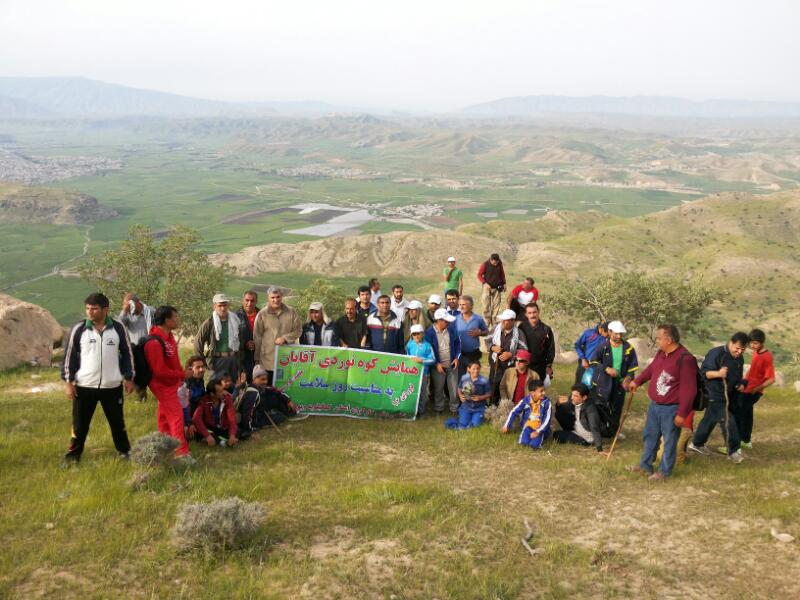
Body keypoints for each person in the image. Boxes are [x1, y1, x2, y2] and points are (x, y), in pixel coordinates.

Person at [62, 292, 134, 462]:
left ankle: (125, 452)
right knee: (79, 426)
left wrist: (129, 377)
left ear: (105, 309)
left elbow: (127, 353)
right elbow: (69, 356)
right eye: (87, 308)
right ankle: (73, 456)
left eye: (94, 309)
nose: (89, 312)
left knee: (118, 424)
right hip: (84, 386)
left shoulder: (118, 328)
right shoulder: (79, 329)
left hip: (112, 387)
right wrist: (68, 382)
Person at [628, 324, 697, 481]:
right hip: (655, 405)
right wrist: (637, 381)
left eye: (659, 338)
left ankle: (664, 473)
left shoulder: (685, 359)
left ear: (669, 340)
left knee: (670, 441)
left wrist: (682, 414)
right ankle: (645, 467)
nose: (657, 340)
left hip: (672, 408)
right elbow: (652, 369)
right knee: (650, 436)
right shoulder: (661, 353)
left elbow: (689, 389)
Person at [688, 332, 749, 464]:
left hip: (729, 395)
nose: (739, 352)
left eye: (742, 350)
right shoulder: (716, 353)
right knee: (728, 421)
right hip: (713, 393)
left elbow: (737, 377)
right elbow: (704, 373)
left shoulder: (740, 358)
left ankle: (697, 443)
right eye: (737, 348)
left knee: (710, 419)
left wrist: (741, 384)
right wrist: (718, 373)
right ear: (731, 342)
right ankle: (733, 451)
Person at [145, 305, 191, 458]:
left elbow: (172, 360)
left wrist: (180, 377)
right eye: (175, 317)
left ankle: (164, 448)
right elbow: (159, 371)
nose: (177, 319)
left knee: (164, 417)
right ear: (166, 320)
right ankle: (181, 454)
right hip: (161, 385)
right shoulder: (154, 342)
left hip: (171, 383)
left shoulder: (169, 336)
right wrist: (181, 373)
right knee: (176, 418)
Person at [589, 320, 638, 438]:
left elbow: (633, 365)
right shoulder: (603, 346)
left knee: (617, 408)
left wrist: (628, 378)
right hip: (604, 383)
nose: (619, 336)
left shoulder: (628, 348)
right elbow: (593, 362)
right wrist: (606, 369)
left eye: (621, 333)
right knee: (602, 407)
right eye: (616, 333)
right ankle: (600, 430)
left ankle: (613, 432)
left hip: (620, 384)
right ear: (610, 332)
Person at [253, 287, 302, 384]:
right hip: (267, 360)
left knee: (284, 390)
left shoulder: (291, 312)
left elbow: (298, 330)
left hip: (286, 360)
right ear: (268, 298)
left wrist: (285, 338)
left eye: (278, 297)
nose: (275, 300)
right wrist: (257, 359)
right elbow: (257, 337)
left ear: (282, 296)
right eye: (272, 297)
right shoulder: (262, 314)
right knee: (268, 389)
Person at [738, 328, 775, 449]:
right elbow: (755, 368)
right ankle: (746, 441)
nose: (753, 346)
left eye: (756, 343)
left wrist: (757, 388)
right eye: (751, 343)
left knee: (740, 414)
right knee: (747, 415)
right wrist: (746, 376)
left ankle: (734, 444)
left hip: (753, 391)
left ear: (762, 342)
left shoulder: (766, 356)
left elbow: (771, 379)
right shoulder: (756, 352)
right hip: (747, 388)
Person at [237, 365, 299, 437]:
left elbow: (277, 391)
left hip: (260, 413)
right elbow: (246, 415)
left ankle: (289, 412)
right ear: (254, 379)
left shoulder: (261, 388)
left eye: (266, 379)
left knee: (275, 397)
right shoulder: (253, 394)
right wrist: (250, 432)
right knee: (280, 417)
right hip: (255, 421)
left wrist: (289, 400)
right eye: (262, 379)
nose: (265, 382)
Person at [194, 293, 243, 382]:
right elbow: (198, 342)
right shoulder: (209, 323)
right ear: (214, 306)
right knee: (216, 389)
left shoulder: (235, 320)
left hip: (233, 360)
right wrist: (202, 362)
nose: (223, 308)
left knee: (233, 388)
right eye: (220, 305)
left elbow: (240, 340)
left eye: (225, 305)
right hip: (217, 361)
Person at [118, 292, 155, 400]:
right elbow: (119, 325)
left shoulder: (150, 312)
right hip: (137, 350)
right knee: (138, 374)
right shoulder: (127, 315)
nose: (129, 308)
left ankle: (159, 394)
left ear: (137, 302)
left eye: (130, 305)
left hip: (151, 347)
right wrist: (124, 311)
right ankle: (141, 397)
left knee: (154, 372)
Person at [425, 308, 462, 414]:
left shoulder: (451, 330)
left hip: (452, 364)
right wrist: (436, 363)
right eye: (446, 321)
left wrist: (456, 358)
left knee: (453, 387)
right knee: (438, 388)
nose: (448, 323)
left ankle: (454, 408)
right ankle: (439, 408)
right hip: (438, 366)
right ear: (439, 321)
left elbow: (458, 344)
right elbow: (429, 350)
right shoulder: (429, 333)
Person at [489, 309, 527, 404]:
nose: (502, 322)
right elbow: (487, 340)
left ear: (513, 321)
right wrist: (492, 347)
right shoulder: (495, 329)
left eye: (505, 320)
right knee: (494, 383)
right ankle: (492, 404)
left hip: (510, 365)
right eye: (502, 319)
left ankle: (505, 406)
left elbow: (524, 349)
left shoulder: (519, 333)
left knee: (507, 385)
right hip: (495, 363)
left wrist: (511, 354)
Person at [502, 379, 552, 449]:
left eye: (544, 390)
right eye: (541, 391)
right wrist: (506, 425)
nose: (544, 393)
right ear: (532, 393)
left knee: (534, 445)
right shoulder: (525, 401)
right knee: (523, 443)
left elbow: (547, 419)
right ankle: (527, 438)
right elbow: (514, 412)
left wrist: (538, 431)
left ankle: (542, 438)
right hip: (528, 427)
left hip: (540, 429)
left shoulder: (547, 403)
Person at [553, 383, 604, 452]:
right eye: (572, 395)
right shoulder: (576, 401)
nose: (572, 397)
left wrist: (599, 448)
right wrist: (558, 404)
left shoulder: (590, 409)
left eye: (575, 396)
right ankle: (570, 432)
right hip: (577, 427)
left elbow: (594, 426)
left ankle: (581, 441)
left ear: (584, 397)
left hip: (586, 437)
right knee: (559, 413)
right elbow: (565, 407)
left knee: (557, 435)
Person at [192, 378, 239, 447]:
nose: (223, 393)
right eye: (220, 391)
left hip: (222, 428)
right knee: (197, 432)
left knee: (236, 432)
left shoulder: (227, 399)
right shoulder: (204, 401)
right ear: (212, 394)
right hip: (210, 428)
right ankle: (223, 442)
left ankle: (223, 441)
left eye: (222, 390)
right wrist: (207, 435)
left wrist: (232, 435)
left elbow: (231, 419)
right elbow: (196, 418)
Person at [445, 362, 491, 429]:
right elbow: (459, 388)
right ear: (468, 369)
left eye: (478, 368)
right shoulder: (464, 378)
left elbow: (489, 393)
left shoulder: (484, 380)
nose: (476, 371)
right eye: (473, 369)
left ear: (480, 369)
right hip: (466, 407)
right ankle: (465, 421)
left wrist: (480, 397)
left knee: (475, 426)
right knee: (463, 424)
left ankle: (475, 419)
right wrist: (460, 396)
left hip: (479, 408)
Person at [518, 303, 555, 383]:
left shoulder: (546, 329)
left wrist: (549, 366)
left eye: (534, 312)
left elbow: (551, 349)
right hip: (524, 364)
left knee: (537, 392)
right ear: (526, 314)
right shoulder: (521, 327)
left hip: (540, 366)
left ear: (538, 312)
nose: (532, 315)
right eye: (529, 313)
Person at [454, 295, 489, 380]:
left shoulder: (478, 319)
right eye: (460, 304)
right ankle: (461, 393)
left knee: (473, 377)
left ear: (471, 306)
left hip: (473, 354)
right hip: (460, 354)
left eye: (464, 304)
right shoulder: (455, 319)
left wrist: (480, 332)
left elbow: (486, 331)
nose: (461, 307)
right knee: (460, 378)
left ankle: (473, 393)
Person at [405, 324, 436, 416]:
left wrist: (422, 360)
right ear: (411, 335)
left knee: (422, 393)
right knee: (411, 391)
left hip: (423, 374)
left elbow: (433, 359)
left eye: (418, 333)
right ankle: (411, 410)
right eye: (414, 334)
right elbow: (407, 357)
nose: (416, 336)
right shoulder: (409, 345)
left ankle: (421, 412)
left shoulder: (427, 345)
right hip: (411, 374)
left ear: (422, 334)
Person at [236, 290, 259, 384]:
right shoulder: (235, 316)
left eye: (252, 301)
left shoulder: (262, 315)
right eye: (247, 300)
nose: (249, 303)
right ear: (243, 300)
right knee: (240, 387)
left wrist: (256, 343)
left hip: (259, 358)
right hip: (242, 359)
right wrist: (245, 344)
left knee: (258, 386)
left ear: (256, 302)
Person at [477, 253, 506, 328]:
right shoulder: (485, 264)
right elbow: (479, 275)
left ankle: (494, 322)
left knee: (496, 305)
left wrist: (504, 283)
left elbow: (502, 274)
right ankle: (486, 322)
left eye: (497, 262)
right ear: (491, 260)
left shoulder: (499, 263)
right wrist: (484, 283)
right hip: (487, 287)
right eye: (494, 262)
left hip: (497, 287)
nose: (496, 264)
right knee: (485, 305)